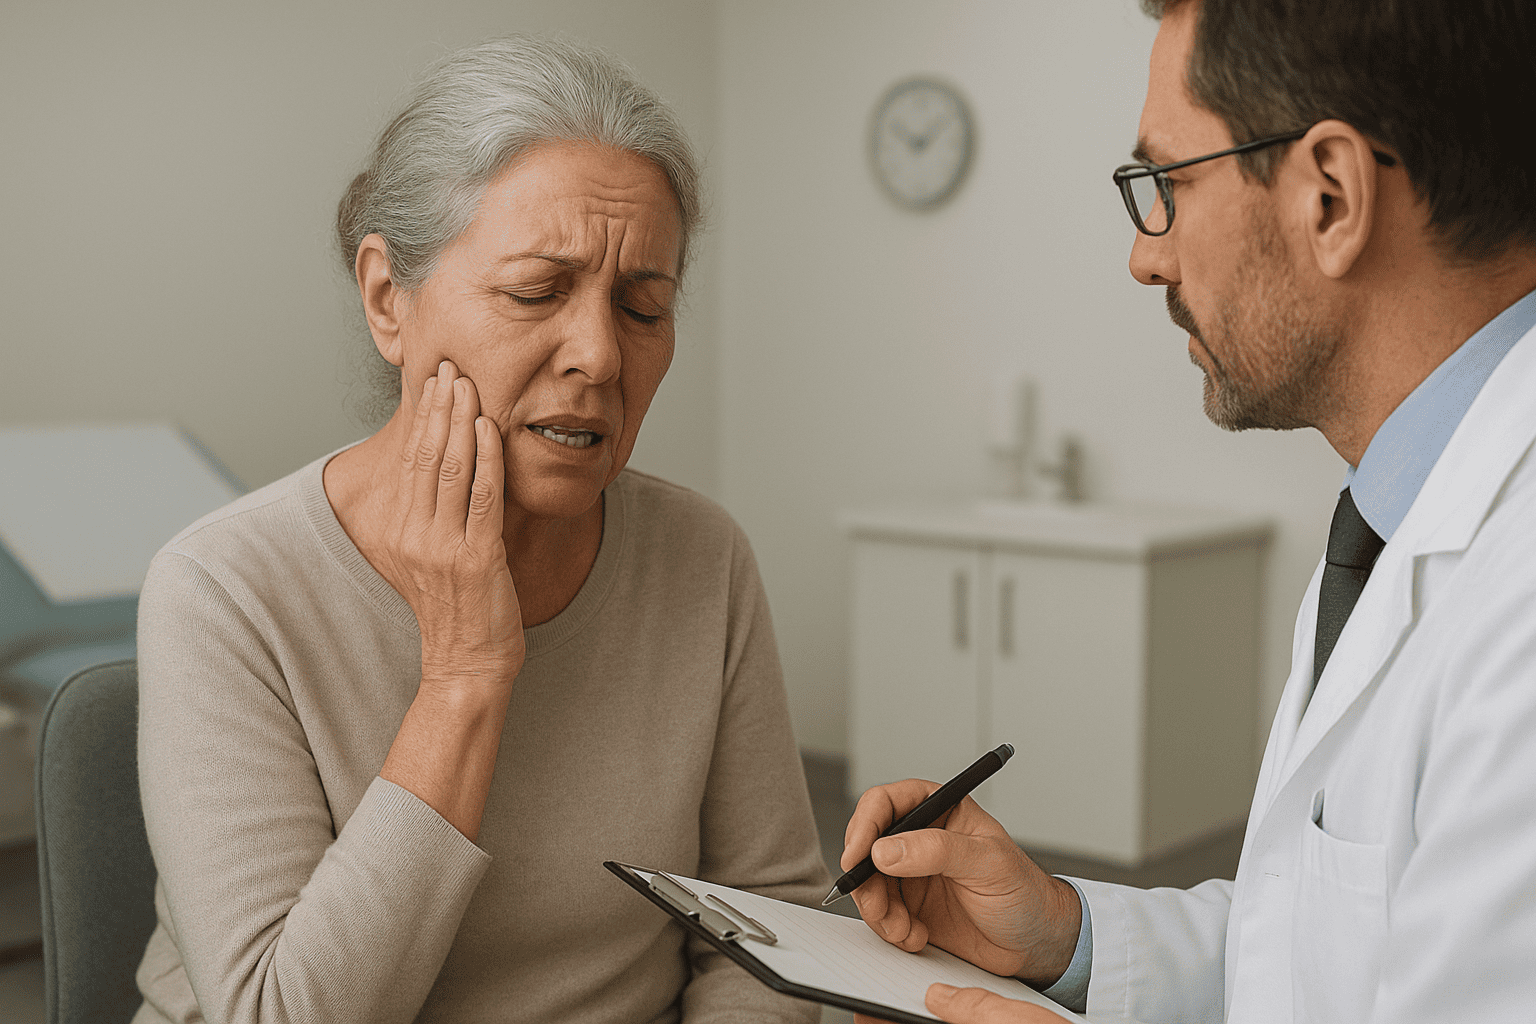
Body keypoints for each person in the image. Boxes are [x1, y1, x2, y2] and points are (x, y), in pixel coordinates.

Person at [841, 1, 1536, 1022]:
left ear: (1331, 197)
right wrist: (1068, 934)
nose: (1146, 257)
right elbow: (1318, 943)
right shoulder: (1399, 518)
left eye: (1167, 184)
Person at [132, 37, 826, 1024]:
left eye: (643, 306)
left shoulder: (701, 556)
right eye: (537, 292)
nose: (596, 354)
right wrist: (463, 677)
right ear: (387, 300)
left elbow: (771, 921)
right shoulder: (224, 589)